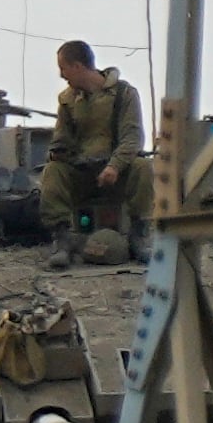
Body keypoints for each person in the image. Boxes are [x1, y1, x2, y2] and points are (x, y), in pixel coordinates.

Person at [40, 41, 149, 263]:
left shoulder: (123, 94)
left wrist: (114, 166)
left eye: (64, 68)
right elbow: (61, 138)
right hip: (82, 172)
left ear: (78, 66)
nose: (62, 75)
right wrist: (58, 151)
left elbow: (132, 138)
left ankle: (139, 233)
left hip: (116, 171)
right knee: (53, 171)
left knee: (143, 167)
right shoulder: (67, 100)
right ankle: (61, 237)